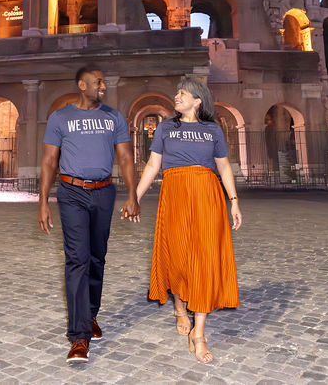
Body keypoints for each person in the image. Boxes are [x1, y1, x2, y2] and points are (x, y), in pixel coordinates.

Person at [135, 76, 241, 364]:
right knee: (179, 256)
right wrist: (135, 197)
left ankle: (200, 333)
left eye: (182, 93)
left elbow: (223, 166)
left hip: (208, 196)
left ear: (197, 101)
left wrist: (233, 200)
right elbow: (153, 165)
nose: (176, 97)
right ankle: (181, 309)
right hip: (176, 194)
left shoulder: (212, 129)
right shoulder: (166, 127)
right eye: (177, 92)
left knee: (204, 258)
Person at [38, 66, 140, 364]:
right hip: (72, 193)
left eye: (104, 82)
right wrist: (43, 202)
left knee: (97, 258)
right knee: (77, 259)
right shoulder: (60, 117)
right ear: (82, 85)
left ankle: (90, 314)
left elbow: (125, 157)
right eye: (98, 82)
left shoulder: (114, 117)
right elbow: (48, 162)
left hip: (103, 192)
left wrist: (132, 195)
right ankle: (79, 336)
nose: (103, 87)